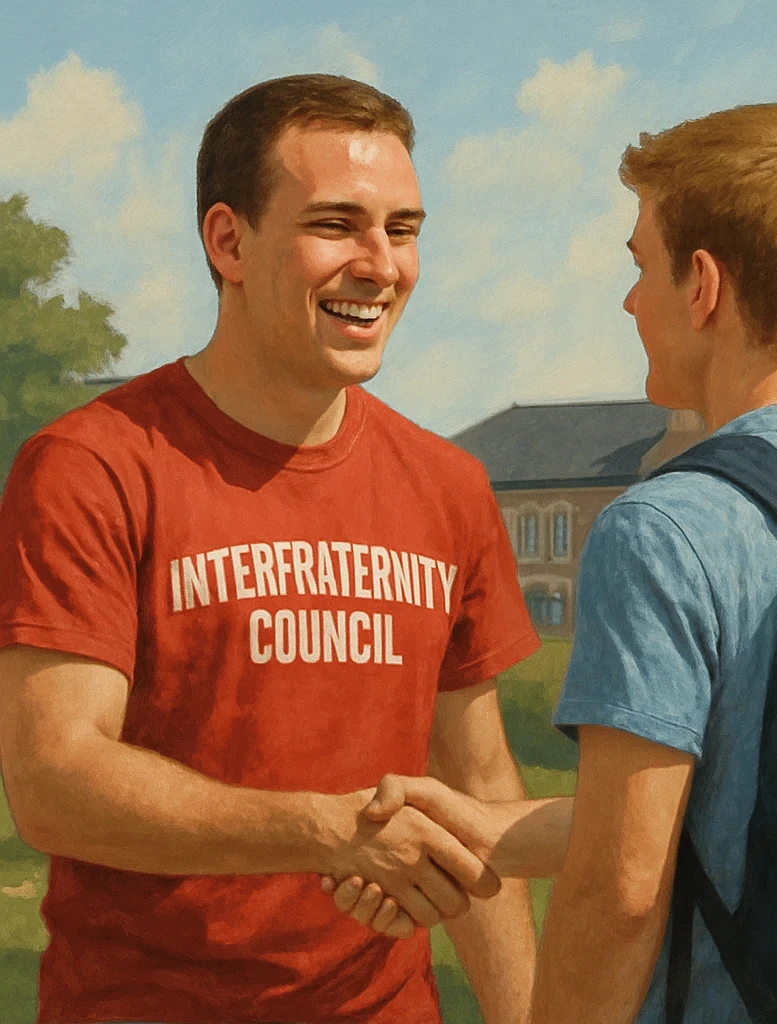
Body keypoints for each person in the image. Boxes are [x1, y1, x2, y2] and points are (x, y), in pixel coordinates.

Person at [327, 103, 777, 1023]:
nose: (628, 301)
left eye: (639, 265)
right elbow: (729, 815)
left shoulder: (663, 526)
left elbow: (623, 887)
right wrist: (488, 829)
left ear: (703, 285)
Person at [0, 74, 541, 1024]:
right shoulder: (91, 466)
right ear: (228, 240)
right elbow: (54, 781)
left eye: (404, 230)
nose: (381, 264)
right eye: (337, 225)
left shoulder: (448, 486)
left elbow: (477, 790)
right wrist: (327, 831)